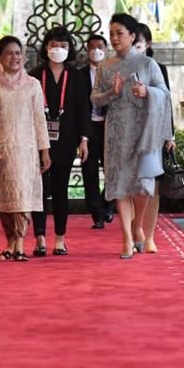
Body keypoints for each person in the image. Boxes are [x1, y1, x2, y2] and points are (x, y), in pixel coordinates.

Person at [91, 13, 173, 259]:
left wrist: (146, 91)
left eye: (120, 33)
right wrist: (111, 92)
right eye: (112, 33)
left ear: (132, 36)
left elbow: (165, 95)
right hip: (116, 132)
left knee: (142, 188)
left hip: (143, 132)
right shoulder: (105, 67)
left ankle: (138, 226)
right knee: (119, 186)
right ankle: (126, 238)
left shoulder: (148, 65)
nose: (115, 38)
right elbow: (95, 100)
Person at [0, 36, 52, 261]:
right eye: (9, 53)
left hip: (26, 151)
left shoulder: (33, 85)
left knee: (22, 196)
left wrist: (44, 150)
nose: (14, 57)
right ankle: (10, 241)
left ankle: (19, 243)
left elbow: (40, 119)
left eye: (18, 53)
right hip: (0, 152)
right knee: (5, 200)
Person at [29, 27, 90, 256]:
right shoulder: (35, 75)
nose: (58, 50)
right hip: (38, 140)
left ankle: (60, 238)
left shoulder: (75, 76)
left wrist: (84, 139)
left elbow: (84, 108)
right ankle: (40, 238)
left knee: (61, 190)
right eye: (54, 45)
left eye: (63, 46)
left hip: (66, 139)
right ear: (46, 47)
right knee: (40, 190)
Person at [134, 23, 175, 251]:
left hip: (155, 133)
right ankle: (134, 230)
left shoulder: (158, 68)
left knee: (153, 186)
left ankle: (149, 236)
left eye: (138, 42)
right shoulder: (122, 67)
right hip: (130, 135)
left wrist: (170, 134)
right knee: (133, 186)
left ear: (147, 44)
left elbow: (167, 100)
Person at [80, 34, 115, 228]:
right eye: (92, 46)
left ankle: (108, 204)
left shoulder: (113, 72)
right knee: (89, 172)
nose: (96, 50)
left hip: (109, 127)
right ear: (87, 50)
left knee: (112, 170)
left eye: (99, 46)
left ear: (105, 48)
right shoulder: (80, 75)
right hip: (89, 128)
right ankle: (97, 215)